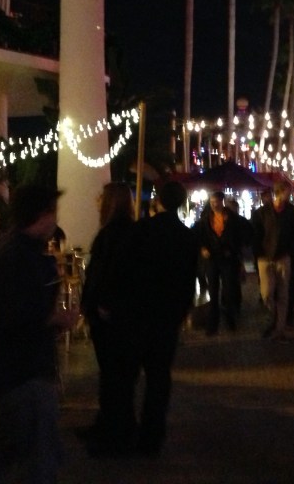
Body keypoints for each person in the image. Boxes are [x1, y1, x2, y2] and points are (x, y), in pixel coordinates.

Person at [0, 184, 80, 483]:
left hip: (7, 368)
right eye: (53, 212)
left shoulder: (5, 248)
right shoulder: (20, 256)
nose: (55, 219)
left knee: (6, 449)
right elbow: (16, 314)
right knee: (37, 455)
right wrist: (57, 318)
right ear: (41, 214)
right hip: (24, 369)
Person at [113, 180, 200, 457]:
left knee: (127, 375)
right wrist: (181, 311)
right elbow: (189, 280)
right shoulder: (186, 237)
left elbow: (123, 269)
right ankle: (152, 436)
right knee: (159, 377)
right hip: (166, 316)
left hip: (137, 312)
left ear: (159, 201)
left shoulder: (140, 230)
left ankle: (124, 430)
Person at [78, 182, 135, 453]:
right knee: (115, 374)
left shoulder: (114, 233)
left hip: (112, 316)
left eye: (102, 196)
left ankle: (116, 432)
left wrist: (103, 304)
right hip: (116, 314)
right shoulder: (123, 232)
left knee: (115, 374)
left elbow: (112, 272)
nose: (97, 200)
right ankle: (110, 425)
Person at [251, 182, 294, 342]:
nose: (289, 195)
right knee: (267, 293)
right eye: (288, 192)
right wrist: (259, 254)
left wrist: (292, 252)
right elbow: (256, 235)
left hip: (283, 256)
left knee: (283, 293)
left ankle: (280, 328)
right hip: (265, 257)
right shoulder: (262, 212)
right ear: (280, 192)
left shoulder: (291, 211)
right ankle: (274, 319)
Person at [198, 191, 248, 335]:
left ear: (222, 202)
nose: (214, 205)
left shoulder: (232, 218)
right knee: (213, 291)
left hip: (227, 258)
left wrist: (233, 250)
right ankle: (213, 323)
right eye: (212, 202)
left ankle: (230, 319)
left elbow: (241, 236)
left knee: (228, 290)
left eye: (216, 202)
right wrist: (203, 248)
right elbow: (200, 236)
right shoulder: (206, 219)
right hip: (212, 258)